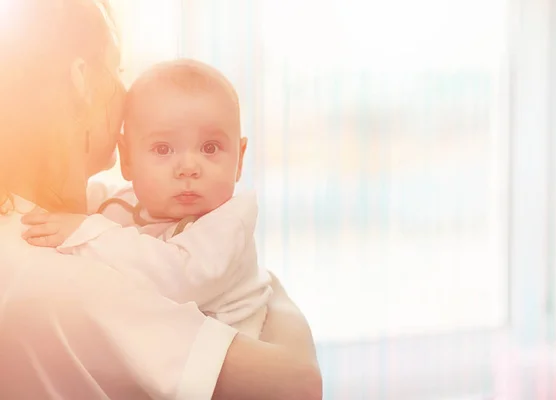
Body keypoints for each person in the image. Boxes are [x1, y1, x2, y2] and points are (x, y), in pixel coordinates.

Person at [0, 0, 322, 399]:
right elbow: (298, 384)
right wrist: (274, 289)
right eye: (117, 70)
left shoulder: (42, 221)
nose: (187, 167)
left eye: (209, 148)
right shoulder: (73, 278)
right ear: (82, 81)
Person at [21, 59, 272, 339]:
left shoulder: (228, 223)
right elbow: (103, 202)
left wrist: (85, 233)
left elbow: (179, 278)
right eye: (163, 149)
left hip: (231, 373)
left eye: (210, 147)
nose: (189, 166)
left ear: (240, 159)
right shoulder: (134, 203)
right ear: (127, 159)